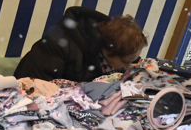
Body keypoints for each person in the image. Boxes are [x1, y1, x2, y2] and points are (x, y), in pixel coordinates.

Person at [14, 7, 147, 82]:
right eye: (125, 61)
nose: (128, 66)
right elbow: (32, 88)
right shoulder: (58, 46)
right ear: (108, 51)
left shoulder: (104, 51)